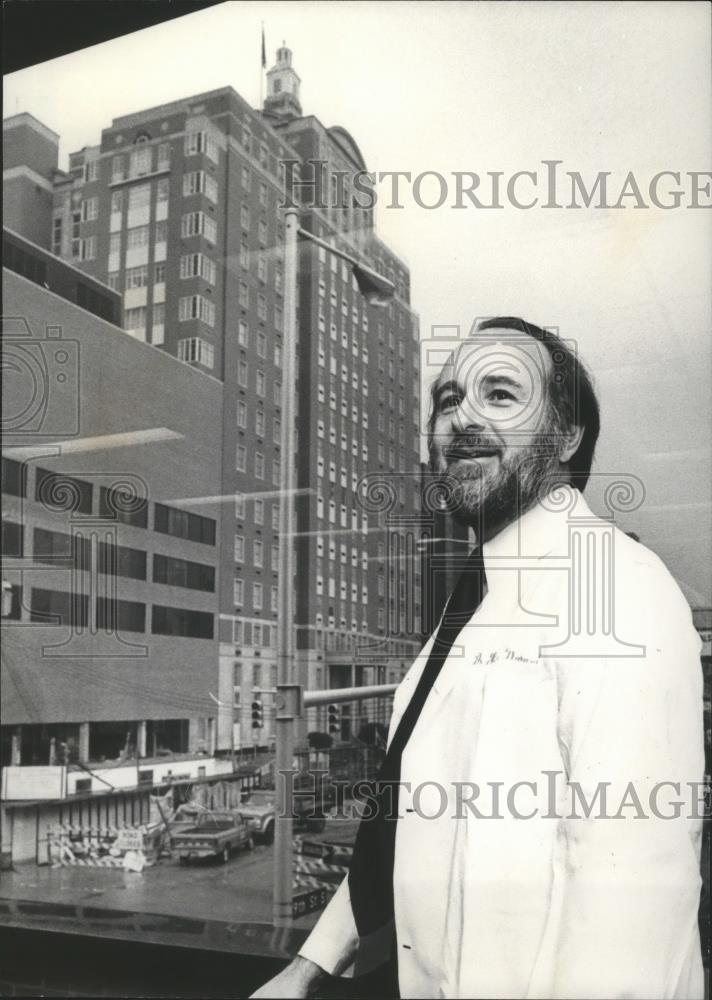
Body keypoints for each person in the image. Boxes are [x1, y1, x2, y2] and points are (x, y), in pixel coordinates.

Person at [253, 317, 705, 999]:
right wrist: (307, 967)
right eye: (446, 398)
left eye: (500, 395)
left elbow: (629, 901)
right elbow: (399, 825)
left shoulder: (614, 591)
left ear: (566, 436)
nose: (461, 418)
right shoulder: (469, 610)